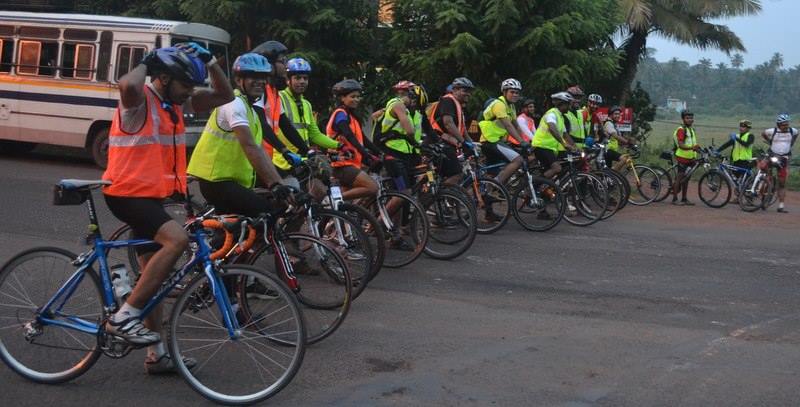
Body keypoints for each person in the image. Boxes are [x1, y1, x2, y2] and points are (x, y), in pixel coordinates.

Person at [101, 43, 233, 373]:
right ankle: (123, 318)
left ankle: (157, 355)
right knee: (176, 241)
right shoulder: (139, 100)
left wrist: (211, 61)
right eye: (185, 83)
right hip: (126, 194)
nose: (190, 91)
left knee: (153, 279)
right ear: (162, 78)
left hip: (150, 198)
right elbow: (128, 84)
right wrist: (148, 59)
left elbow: (225, 95)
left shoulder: (176, 103)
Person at [187, 52, 291, 218]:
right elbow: (249, 146)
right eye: (253, 77)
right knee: (266, 213)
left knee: (243, 227)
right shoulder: (234, 104)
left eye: (263, 78)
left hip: (231, 180)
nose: (260, 82)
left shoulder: (252, 110)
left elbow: (259, 150)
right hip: (216, 180)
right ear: (238, 80)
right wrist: (274, 184)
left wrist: (278, 182)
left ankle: (221, 241)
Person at [277, 57, 341, 189]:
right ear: (288, 80)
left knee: (320, 192)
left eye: (305, 78)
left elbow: (315, 135)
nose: (302, 82)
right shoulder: (279, 98)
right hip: (282, 162)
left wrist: (339, 145)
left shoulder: (306, 105)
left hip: (302, 160)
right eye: (297, 78)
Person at [250, 40, 309, 174]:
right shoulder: (261, 91)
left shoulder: (274, 92)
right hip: (254, 161)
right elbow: (261, 125)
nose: (286, 65)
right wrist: (284, 150)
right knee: (289, 187)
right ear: (269, 65)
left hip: (264, 159)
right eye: (282, 61)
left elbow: (285, 125)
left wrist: (307, 150)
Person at [325, 79, 380, 200]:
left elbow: (364, 140)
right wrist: (365, 154)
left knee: (351, 205)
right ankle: (332, 201)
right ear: (342, 98)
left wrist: (379, 152)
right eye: (352, 96)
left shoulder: (353, 117)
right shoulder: (340, 114)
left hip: (352, 163)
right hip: (341, 164)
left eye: (358, 97)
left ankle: (334, 214)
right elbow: (349, 135)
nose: (356, 99)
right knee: (372, 187)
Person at [478, 78, 530, 185]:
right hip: (490, 140)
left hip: (497, 141)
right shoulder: (499, 104)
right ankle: (496, 185)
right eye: (512, 92)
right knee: (518, 160)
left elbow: (516, 126)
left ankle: (486, 192)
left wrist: (527, 141)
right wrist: (521, 142)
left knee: (493, 173)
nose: (515, 95)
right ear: (504, 92)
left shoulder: (511, 106)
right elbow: (508, 125)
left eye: (517, 93)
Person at [379, 80, 422, 192]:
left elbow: (375, 117)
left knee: (405, 193)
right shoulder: (398, 105)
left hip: (402, 153)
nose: (414, 101)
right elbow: (410, 131)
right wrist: (417, 143)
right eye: (413, 97)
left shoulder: (394, 105)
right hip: (394, 153)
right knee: (403, 193)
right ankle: (384, 210)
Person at [429, 77, 474, 185]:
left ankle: (446, 196)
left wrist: (471, 144)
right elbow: (448, 123)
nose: (468, 94)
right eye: (465, 90)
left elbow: (463, 130)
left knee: (450, 174)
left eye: (469, 91)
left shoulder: (458, 105)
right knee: (456, 174)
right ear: (455, 90)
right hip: (438, 143)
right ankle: (443, 196)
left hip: (446, 143)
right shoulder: (448, 100)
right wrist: (463, 143)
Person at [532, 92, 575, 179]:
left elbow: (565, 135)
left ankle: (544, 189)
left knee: (560, 167)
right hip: (541, 146)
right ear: (561, 104)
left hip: (550, 148)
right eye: (568, 104)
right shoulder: (551, 113)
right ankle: (534, 185)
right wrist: (564, 144)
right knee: (557, 168)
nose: (570, 107)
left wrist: (575, 147)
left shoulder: (561, 117)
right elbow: (552, 128)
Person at [762, 114, 798, 213]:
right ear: (778, 124)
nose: (786, 126)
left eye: (787, 124)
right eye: (783, 125)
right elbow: (763, 133)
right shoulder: (772, 131)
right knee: (765, 172)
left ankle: (781, 205)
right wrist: (770, 141)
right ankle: (764, 186)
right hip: (772, 155)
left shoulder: (793, 131)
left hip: (783, 158)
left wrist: (791, 144)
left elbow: (795, 135)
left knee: (782, 183)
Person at [671, 110, 701, 205]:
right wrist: (692, 148)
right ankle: (674, 199)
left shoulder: (691, 130)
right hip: (682, 157)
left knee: (687, 178)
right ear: (683, 119)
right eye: (687, 118)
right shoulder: (681, 130)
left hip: (691, 158)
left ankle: (684, 198)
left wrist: (699, 149)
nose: (690, 120)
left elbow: (692, 143)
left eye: (691, 118)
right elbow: (681, 145)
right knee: (679, 178)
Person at [602, 106, 633, 172]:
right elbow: (615, 136)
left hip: (610, 151)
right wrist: (627, 142)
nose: (618, 116)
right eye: (615, 114)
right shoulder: (608, 123)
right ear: (610, 115)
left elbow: (619, 139)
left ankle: (609, 175)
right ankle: (612, 174)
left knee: (605, 172)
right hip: (607, 150)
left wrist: (630, 145)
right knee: (624, 159)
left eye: (619, 114)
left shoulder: (614, 125)